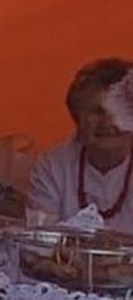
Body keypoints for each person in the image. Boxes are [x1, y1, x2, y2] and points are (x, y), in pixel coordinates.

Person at [25, 58, 133, 229]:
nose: (108, 122)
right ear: (77, 118)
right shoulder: (53, 167)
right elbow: (40, 237)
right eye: (97, 111)